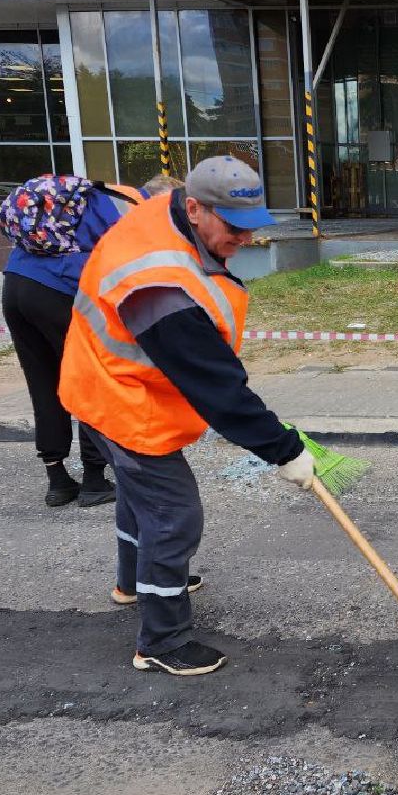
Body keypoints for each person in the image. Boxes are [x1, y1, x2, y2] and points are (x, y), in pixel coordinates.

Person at [59, 156, 315, 677]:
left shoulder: (169, 214)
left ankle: (133, 582)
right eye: (233, 227)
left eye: (250, 227)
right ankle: (163, 640)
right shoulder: (160, 284)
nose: (244, 239)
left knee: (141, 501)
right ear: (195, 208)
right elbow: (216, 387)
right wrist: (284, 450)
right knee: (174, 516)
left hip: (101, 382)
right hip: (122, 400)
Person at [0, 177, 141, 508]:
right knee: (90, 382)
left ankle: (58, 481)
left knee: (43, 382)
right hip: (58, 291)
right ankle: (94, 479)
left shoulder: (85, 195)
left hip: (16, 283)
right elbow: (122, 260)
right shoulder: (129, 205)